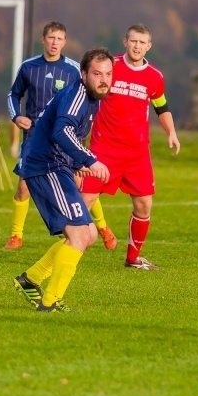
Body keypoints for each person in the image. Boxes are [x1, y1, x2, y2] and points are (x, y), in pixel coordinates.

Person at [13, 47, 115, 312]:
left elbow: (66, 134)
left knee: (89, 233)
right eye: (97, 73)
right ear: (83, 74)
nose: (104, 79)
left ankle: (30, 279)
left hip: (58, 166)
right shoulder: (78, 95)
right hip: (47, 168)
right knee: (79, 235)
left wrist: (77, 162)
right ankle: (50, 302)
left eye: (108, 74)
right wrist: (90, 160)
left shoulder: (91, 97)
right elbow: (62, 131)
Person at [5, 21, 117, 250]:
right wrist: (16, 116)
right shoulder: (29, 67)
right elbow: (13, 95)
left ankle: (101, 226)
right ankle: (17, 235)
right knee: (24, 185)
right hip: (40, 140)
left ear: (65, 42)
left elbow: (76, 120)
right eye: (51, 38)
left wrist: (80, 158)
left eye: (59, 38)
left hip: (66, 142)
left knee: (80, 187)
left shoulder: (74, 69)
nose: (55, 42)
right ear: (43, 40)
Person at [80, 23, 181, 271]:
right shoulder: (109, 67)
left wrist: (172, 133)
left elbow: (162, 107)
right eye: (133, 41)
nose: (137, 46)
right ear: (125, 42)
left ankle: (133, 258)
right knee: (85, 200)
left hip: (137, 152)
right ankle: (72, 247)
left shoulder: (155, 77)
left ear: (149, 46)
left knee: (144, 204)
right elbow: (87, 93)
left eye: (142, 42)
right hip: (104, 148)